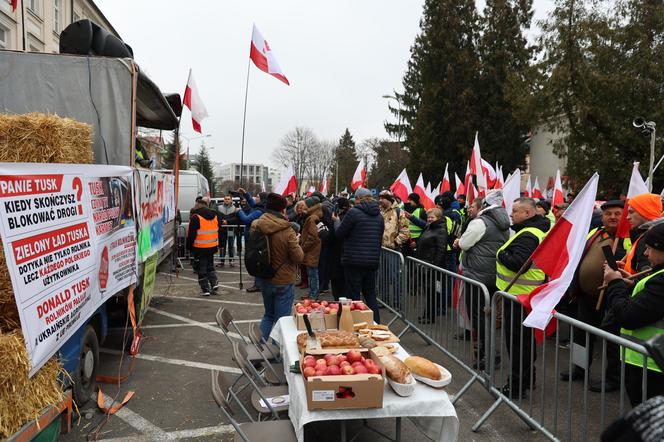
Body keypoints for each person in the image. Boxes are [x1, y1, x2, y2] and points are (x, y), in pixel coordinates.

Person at [561, 200, 629, 392]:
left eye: (618, 213)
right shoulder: (596, 233)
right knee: (581, 336)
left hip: (611, 299)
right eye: (609, 214)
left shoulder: (626, 238)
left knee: (612, 341)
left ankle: (613, 378)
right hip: (586, 296)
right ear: (602, 217)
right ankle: (579, 369)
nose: (613, 217)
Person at [603, 222, 664, 406]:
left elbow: (629, 317)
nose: (646, 254)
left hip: (653, 366)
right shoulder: (657, 276)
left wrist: (615, 284)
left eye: (650, 248)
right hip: (649, 362)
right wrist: (628, 286)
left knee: (650, 426)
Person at [495, 197, 550, 397]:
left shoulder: (528, 235)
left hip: (520, 299)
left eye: (515, 211)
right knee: (524, 343)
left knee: (518, 345)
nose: (511, 214)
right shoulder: (530, 231)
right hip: (522, 297)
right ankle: (526, 379)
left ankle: (517, 386)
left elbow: (518, 263)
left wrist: (500, 254)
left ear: (528, 213)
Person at [455, 190, 510, 369]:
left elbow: (464, 243)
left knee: (478, 317)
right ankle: (488, 353)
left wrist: (458, 242)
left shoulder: (480, 222)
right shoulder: (505, 223)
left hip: (477, 276)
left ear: (484, 206)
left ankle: (488, 355)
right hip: (495, 275)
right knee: (489, 316)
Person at [251, 193, 304, 340]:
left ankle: (257, 347)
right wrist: (297, 241)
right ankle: (278, 351)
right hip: (283, 280)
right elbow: (299, 257)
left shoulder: (256, 225)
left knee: (268, 315)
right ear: (282, 210)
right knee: (283, 321)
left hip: (264, 276)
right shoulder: (287, 230)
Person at [334, 187, 385, 323]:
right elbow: (379, 237)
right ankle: (375, 325)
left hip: (354, 261)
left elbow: (339, 234)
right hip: (372, 261)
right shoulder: (379, 215)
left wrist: (336, 222)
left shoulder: (353, 213)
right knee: (370, 295)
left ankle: (355, 326)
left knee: (354, 296)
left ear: (357, 199)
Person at [415, 208, 448, 324]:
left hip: (433, 267)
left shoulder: (441, 230)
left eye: (432, 217)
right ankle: (426, 314)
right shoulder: (429, 227)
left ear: (438, 218)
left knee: (433, 293)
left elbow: (441, 250)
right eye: (429, 217)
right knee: (427, 292)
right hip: (424, 264)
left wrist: (434, 266)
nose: (429, 219)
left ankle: (430, 316)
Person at [186, 196, 222, 296]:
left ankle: (205, 288)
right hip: (212, 246)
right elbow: (220, 228)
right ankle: (214, 282)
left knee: (201, 268)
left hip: (200, 247)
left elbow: (191, 235)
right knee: (210, 266)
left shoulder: (196, 217)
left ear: (198, 205)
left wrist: (189, 247)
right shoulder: (215, 215)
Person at [621, 193, 662, 276]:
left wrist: (619, 282)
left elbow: (645, 277)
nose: (627, 217)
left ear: (645, 211)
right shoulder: (643, 235)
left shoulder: (650, 238)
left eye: (631, 212)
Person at [237, 189, 267, 293]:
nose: (256, 198)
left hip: (254, 239)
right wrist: (245, 193)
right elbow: (252, 202)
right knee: (256, 260)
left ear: (262, 199)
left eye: (258, 196)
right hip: (253, 237)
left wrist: (239, 211)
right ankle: (259, 283)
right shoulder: (259, 207)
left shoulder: (259, 211)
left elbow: (246, 219)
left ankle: (258, 284)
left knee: (255, 261)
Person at [300, 196, 323, 299]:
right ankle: (313, 293)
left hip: (312, 250)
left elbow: (313, 237)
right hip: (313, 249)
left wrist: (303, 247)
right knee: (312, 273)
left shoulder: (312, 217)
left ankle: (314, 295)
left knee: (313, 273)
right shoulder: (314, 216)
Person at [329, 197, 350, 299]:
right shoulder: (349, 216)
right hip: (344, 254)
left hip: (340, 253)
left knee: (338, 283)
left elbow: (338, 234)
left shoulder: (342, 218)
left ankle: (339, 303)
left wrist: (335, 222)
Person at [217, 194, 239, 268]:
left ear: (231, 200)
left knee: (231, 245)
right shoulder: (219, 207)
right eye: (225, 199)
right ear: (224, 200)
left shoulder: (235, 208)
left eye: (228, 199)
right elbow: (217, 218)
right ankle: (221, 261)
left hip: (231, 229)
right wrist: (223, 222)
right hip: (222, 230)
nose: (227, 200)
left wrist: (227, 221)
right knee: (222, 245)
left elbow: (236, 218)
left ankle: (231, 261)